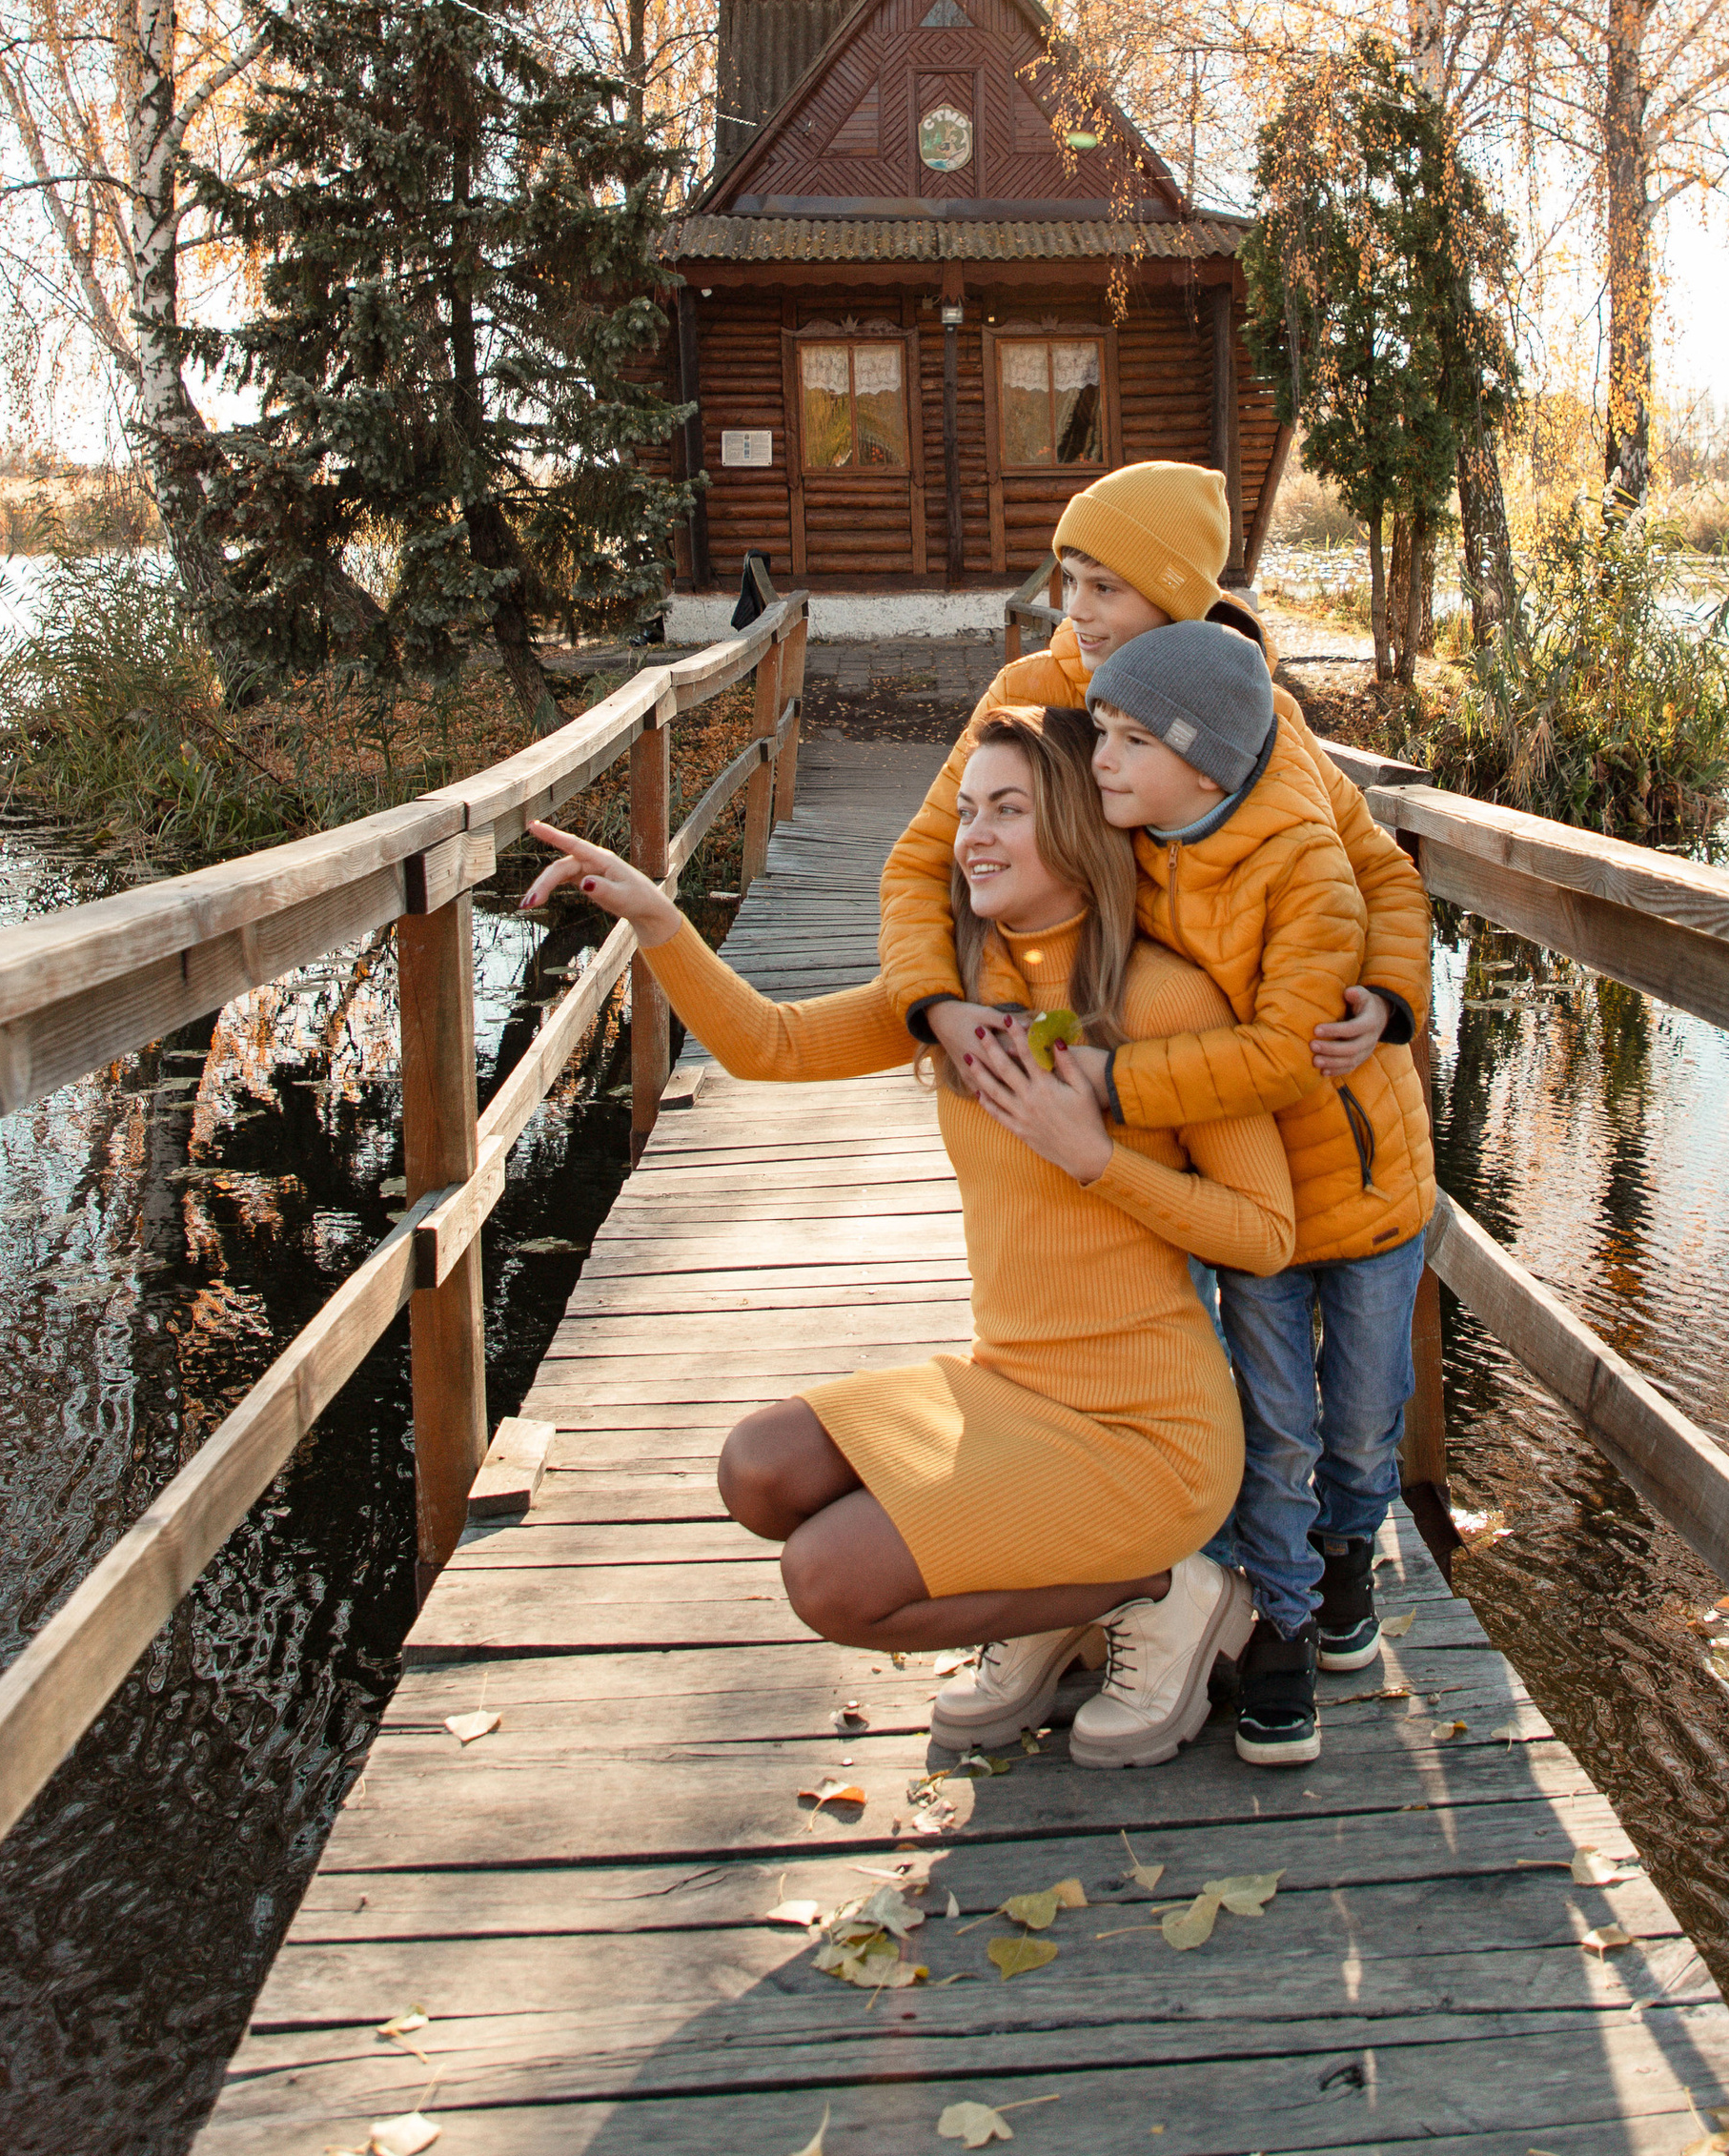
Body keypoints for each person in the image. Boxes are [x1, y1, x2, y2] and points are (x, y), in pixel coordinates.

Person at [520, 706, 1292, 1770]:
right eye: (967, 811)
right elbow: (769, 1044)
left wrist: (1096, 1158)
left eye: (1007, 810)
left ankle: (1157, 1588)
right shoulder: (955, 998)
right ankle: (1051, 1603)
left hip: (1147, 1430)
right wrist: (656, 917)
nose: (973, 837)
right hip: (1009, 1386)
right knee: (757, 1471)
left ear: (1077, 825)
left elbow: (1265, 1234)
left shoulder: (1167, 999)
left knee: (830, 1579)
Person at [969, 619, 1434, 1770]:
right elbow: (1075, 946)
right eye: (1101, 735)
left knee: (1361, 1420)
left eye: (1130, 740)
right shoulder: (1131, 838)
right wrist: (1015, 1031)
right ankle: (1280, 1626)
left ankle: (1344, 1562)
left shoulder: (1302, 853)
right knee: (1271, 1426)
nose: (1102, 762)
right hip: (1245, 1196)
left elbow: (1285, 1052)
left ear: (1206, 761)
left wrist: (1111, 1085)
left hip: (1362, 1191)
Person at [878, 459, 1430, 1130]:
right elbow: (922, 862)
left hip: (1294, 1092)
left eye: (1105, 588)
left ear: (1173, 604)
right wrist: (938, 1004)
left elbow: (1379, 870)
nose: (1076, 609)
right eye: (1070, 580)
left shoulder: (1252, 721)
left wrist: (1386, 993)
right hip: (1113, 1074)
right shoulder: (1027, 697)